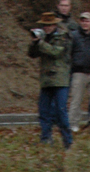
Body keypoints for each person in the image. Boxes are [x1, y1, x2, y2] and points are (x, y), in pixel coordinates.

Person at [29, 12, 73, 148]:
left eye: (49, 25)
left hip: (60, 79)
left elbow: (56, 52)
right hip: (46, 80)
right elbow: (31, 54)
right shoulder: (43, 38)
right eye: (44, 25)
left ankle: (67, 141)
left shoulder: (63, 37)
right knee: (44, 111)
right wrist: (34, 42)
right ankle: (45, 138)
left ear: (55, 25)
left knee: (61, 111)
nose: (46, 28)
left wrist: (41, 43)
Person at [68, 12, 90, 132]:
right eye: (83, 21)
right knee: (76, 99)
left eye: (87, 21)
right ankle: (73, 123)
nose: (85, 23)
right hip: (78, 72)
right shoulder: (74, 36)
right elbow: (69, 53)